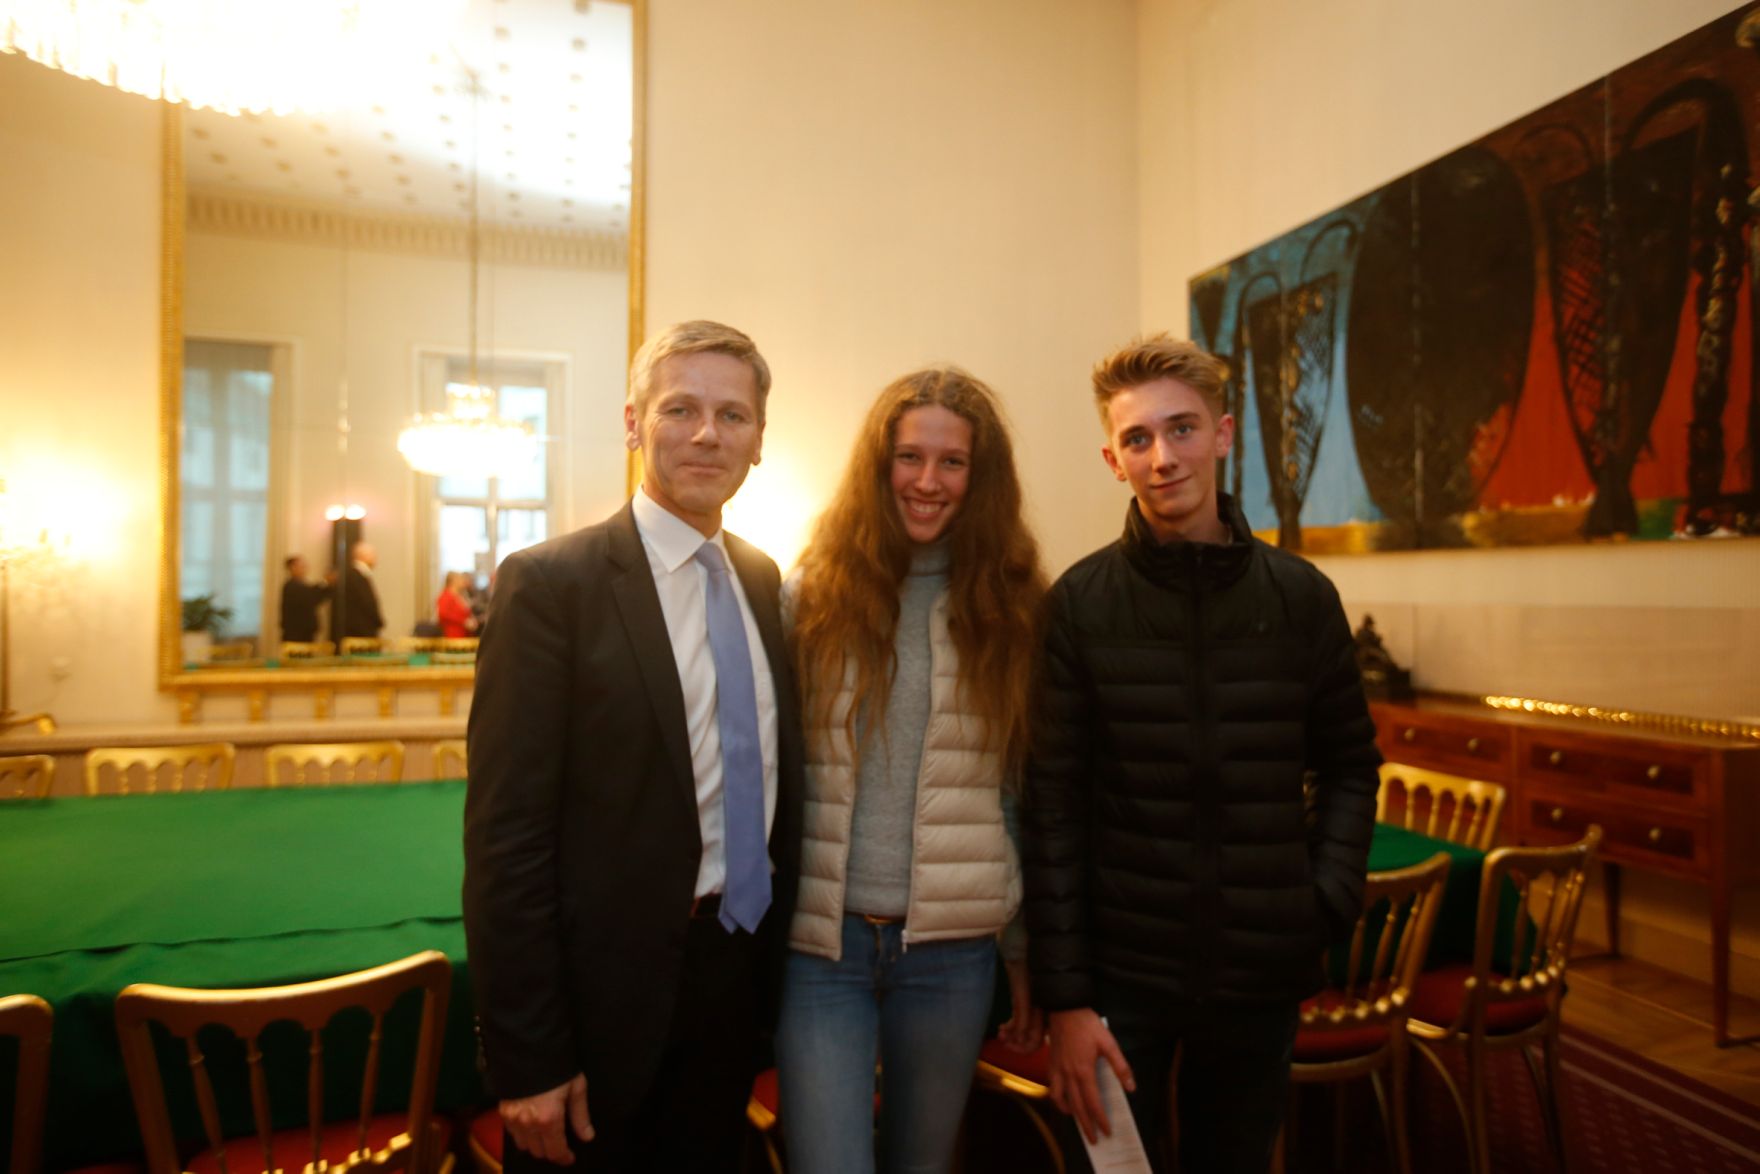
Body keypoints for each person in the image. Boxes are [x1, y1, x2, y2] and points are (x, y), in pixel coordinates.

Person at [1024, 334, 1382, 1174]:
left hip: (1259, 970)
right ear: (1113, 460)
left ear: (1221, 435)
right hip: (1120, 979)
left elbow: (1349, 764)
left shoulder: (1302, 598)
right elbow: (1051, 806)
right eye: (1138, 439)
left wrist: (1324, 899)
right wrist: (1067, 996)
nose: (1163, 458)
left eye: (1181, 429)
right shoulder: (1078, 605)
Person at [463, 320, 804, 1173]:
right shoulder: (551, 586)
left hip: (735, 979)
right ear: (633, 423)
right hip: (599, 1006)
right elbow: (507, 841)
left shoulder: (762, 579)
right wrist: (529, 1057)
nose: (706, 434)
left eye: (732, 415)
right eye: (680, 408)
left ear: (759, 439)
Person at [777, 367, 1047, 1174]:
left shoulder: (1015, 609)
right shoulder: (811, 598)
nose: (928, 481)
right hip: (822, 950)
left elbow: (1018, 794)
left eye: (952, 462)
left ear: (979, 476)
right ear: (879, 465)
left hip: (953, 954)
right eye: (909, 457)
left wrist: (1023, 954)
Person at [331, 540, 385, 642]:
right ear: (364, 556)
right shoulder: (357, 576)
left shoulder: (352, 576)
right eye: (373, 555)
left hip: (357, 631)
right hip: (360, 633)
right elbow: (367, 603)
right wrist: (378, 621)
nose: (375, 558)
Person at [278, 555, 329, 643]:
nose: (304, 569)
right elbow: (310, 597)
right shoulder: (291, 586)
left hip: (306, 632)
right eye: (301, 566)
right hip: (296, 632)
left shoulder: (301, 585)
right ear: (292, 567)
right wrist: (325, 582)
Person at [436, 571, 478, 638]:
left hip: (465, 634)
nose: (463, 581)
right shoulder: (446, 596)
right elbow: (443, 614)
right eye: (460, 579)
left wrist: (472, 620)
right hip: (453, 635)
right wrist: (464, 622)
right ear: (453, 581)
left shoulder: (461, 595)